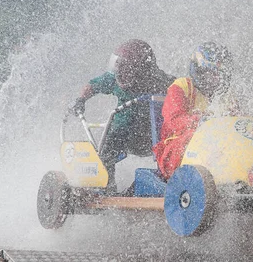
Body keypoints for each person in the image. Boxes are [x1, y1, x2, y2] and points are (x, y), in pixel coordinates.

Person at [70, 39, 175, 190]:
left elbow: (180, 86)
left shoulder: (159, 80)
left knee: (176, 139)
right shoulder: (114, 77)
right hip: (124, 133)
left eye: (126, 69)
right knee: (107, 148)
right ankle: (106, 187)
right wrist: (81, 100)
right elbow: (92, 86)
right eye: (118, 66)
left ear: (140, 70)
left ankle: (172, 179)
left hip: (152, 135)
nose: (119, 73)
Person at [152, 42, 235, 180]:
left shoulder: (226, 96)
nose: (215, 79)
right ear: (199, 71)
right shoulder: (182, 86)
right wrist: (202, 122)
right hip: (175, 151)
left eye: (219, 75)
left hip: (216, 150)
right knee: (205, 138)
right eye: (211, 74)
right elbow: (174, 121)